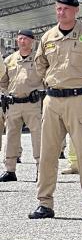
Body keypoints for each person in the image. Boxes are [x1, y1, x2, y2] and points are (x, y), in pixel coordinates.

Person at [29, 0, 82, 221]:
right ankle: (44, 203)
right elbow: (40, 64)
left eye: (65, 9)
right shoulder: (48, 37)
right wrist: (51, 79)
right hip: (52, 101)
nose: (61, 12)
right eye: (58, 8)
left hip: (78, 100)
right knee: (48, 154)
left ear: (76, 10)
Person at [0, 29, 43, 181]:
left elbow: (47, 79)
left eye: (25, 39)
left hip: (33, 103)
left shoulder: (39, 59)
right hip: (13, 104)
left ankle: (41, 169)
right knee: (11, 137)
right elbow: (4, 81)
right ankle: (10, 170)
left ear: (32, 41)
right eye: (19, 39)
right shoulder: (10, 59)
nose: (21, 41)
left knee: (38, 137)